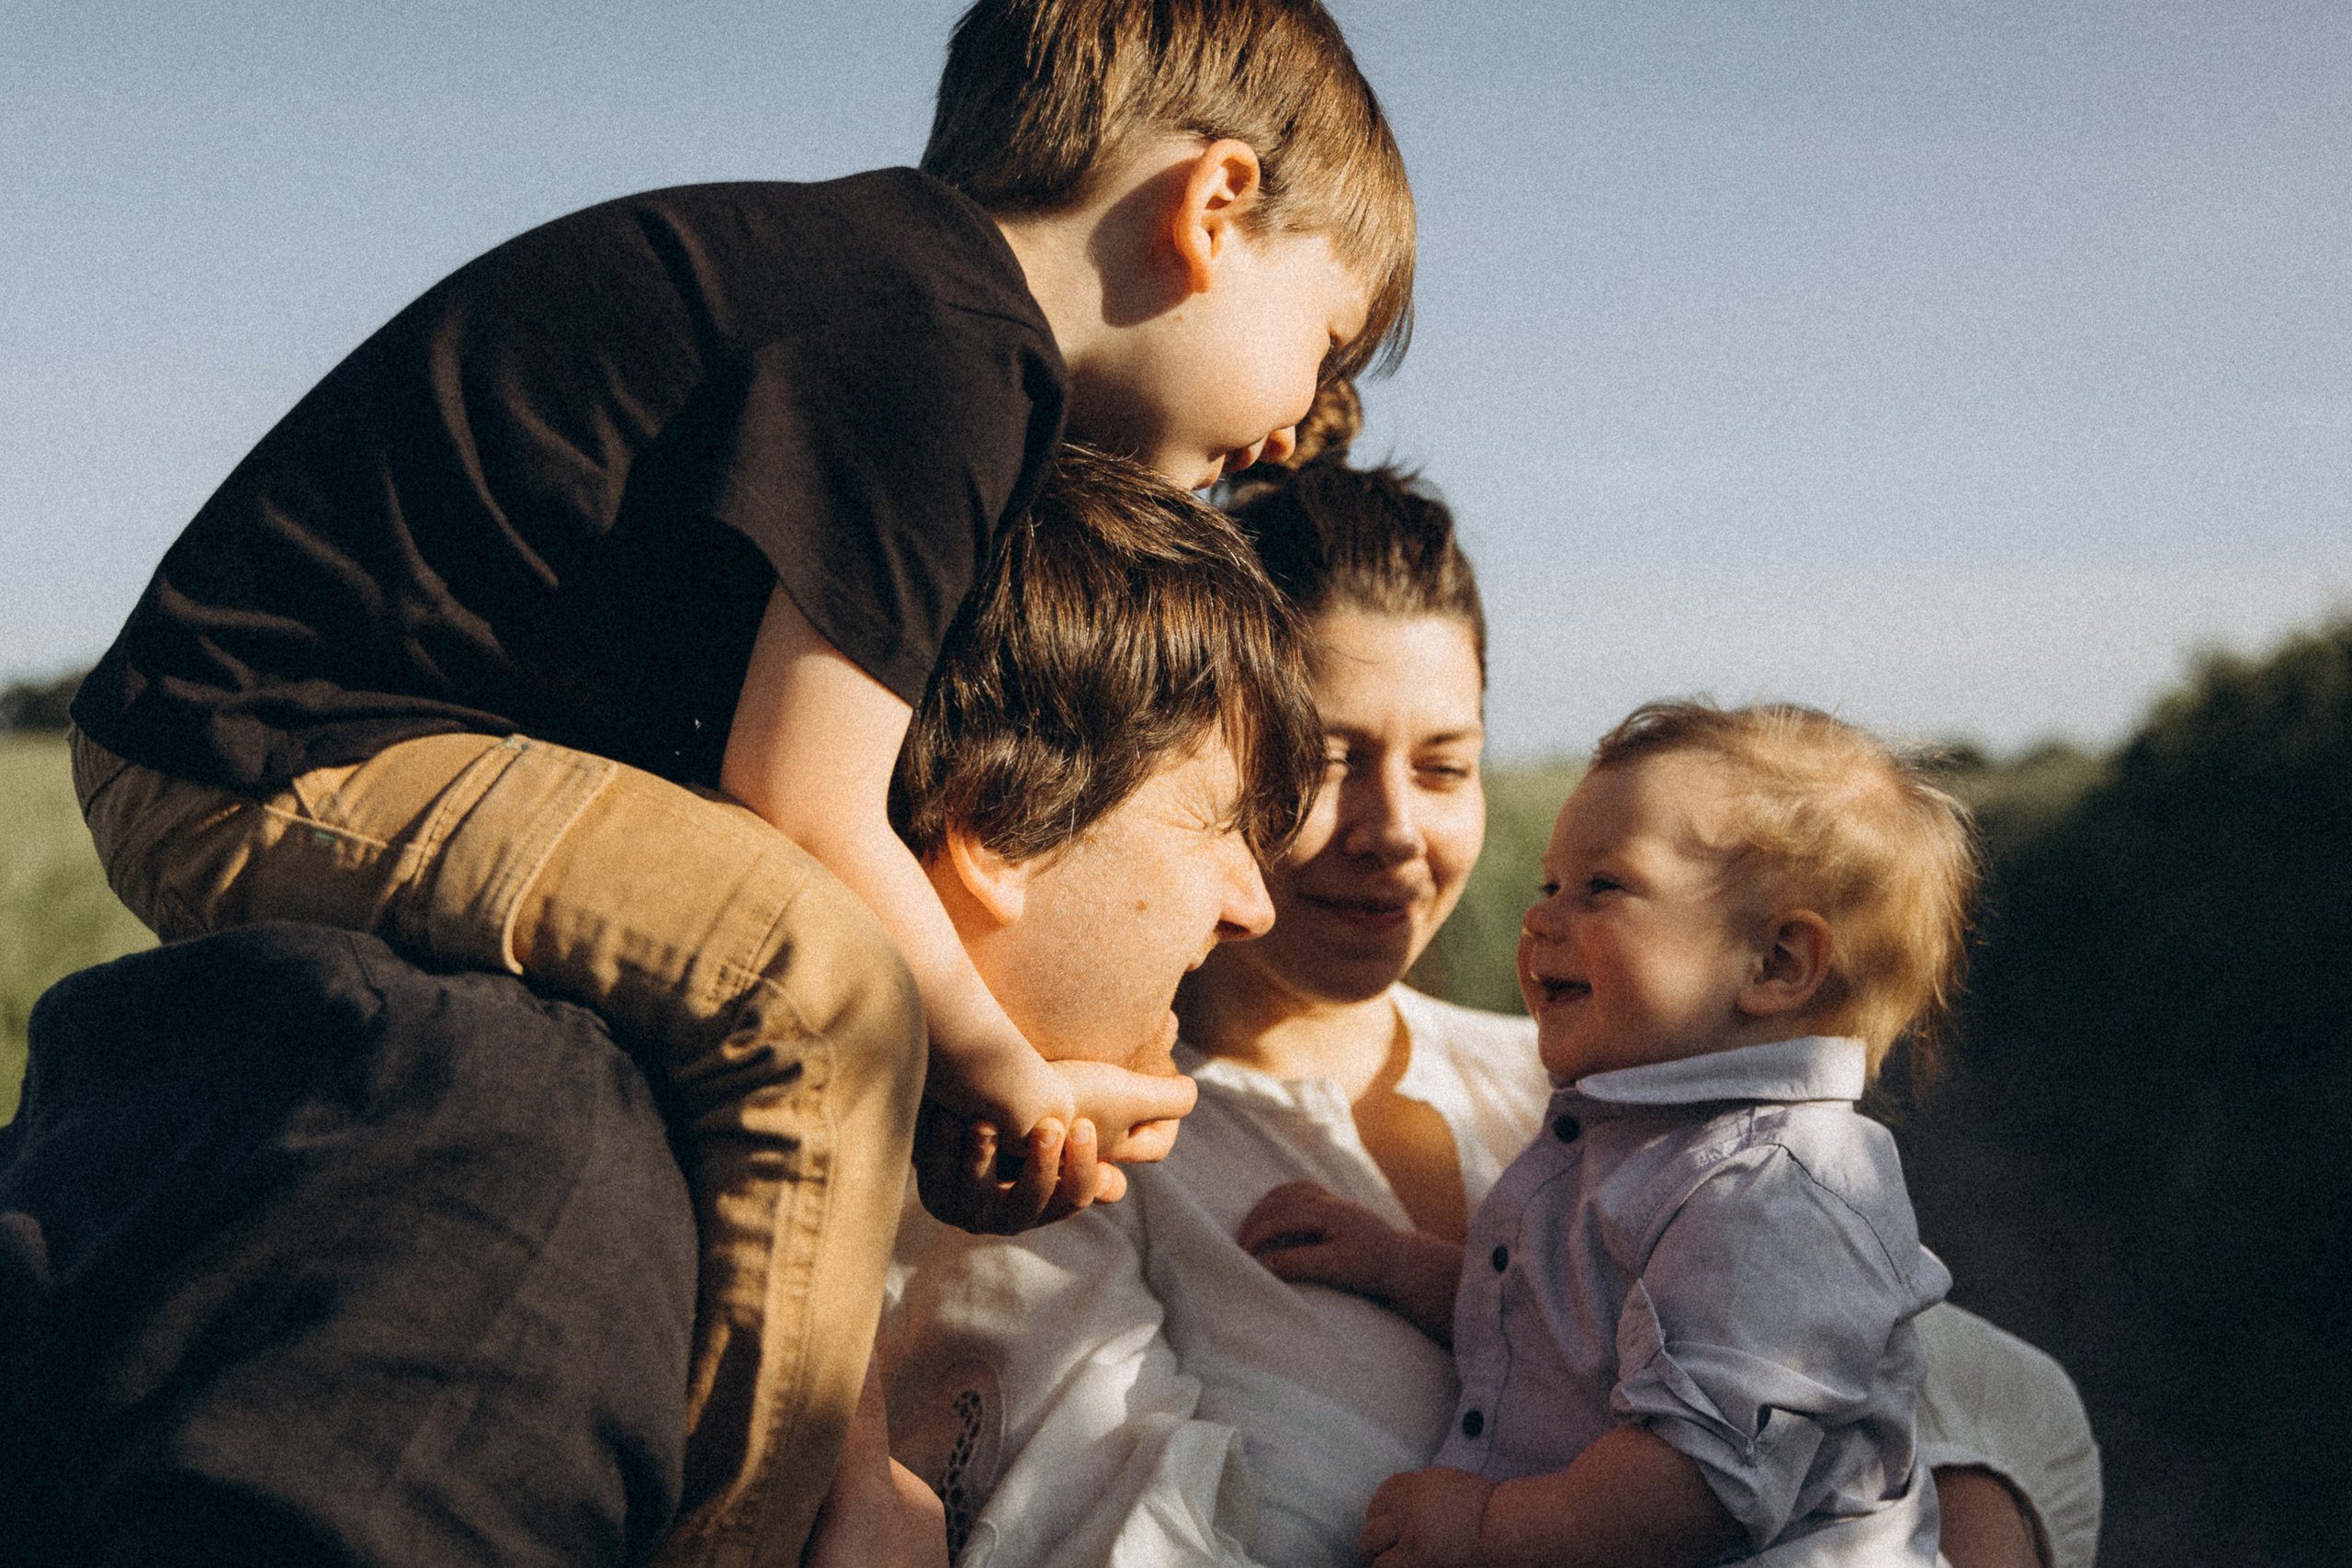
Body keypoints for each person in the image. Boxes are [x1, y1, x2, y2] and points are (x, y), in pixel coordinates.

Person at [56, 2, 1412, 1561]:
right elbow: (808, 804)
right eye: (1326, 340)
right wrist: (994, 1065)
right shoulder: (949, 344)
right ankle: (771, 1535)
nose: (1298, 430)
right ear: (1213, 205)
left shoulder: (889, 296)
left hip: (278, 725)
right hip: (273, 741)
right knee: (814, 979)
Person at [2, 444, 1322, 1568]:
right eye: (1219, 823)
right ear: (997, 829)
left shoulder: (728, 1151)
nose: (1257, 903)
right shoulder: (516, 1150)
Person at [884, 426, 2101, 1568]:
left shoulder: (1629, 1086)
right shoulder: (1081, 1148)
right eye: (1324, 760)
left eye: (1447, 765)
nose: (1396, 832)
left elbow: (1992, 1394)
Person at [1257, 699, 1966, 1565]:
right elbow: (1567, 1328)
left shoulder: (1773, 1189)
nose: (1541, 919)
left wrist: (1488, 1530)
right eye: (1547, 885)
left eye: (1602, 887)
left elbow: (1698, 1480)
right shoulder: (1640, 1135)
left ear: (1776, 963)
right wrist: (1400, 1266)